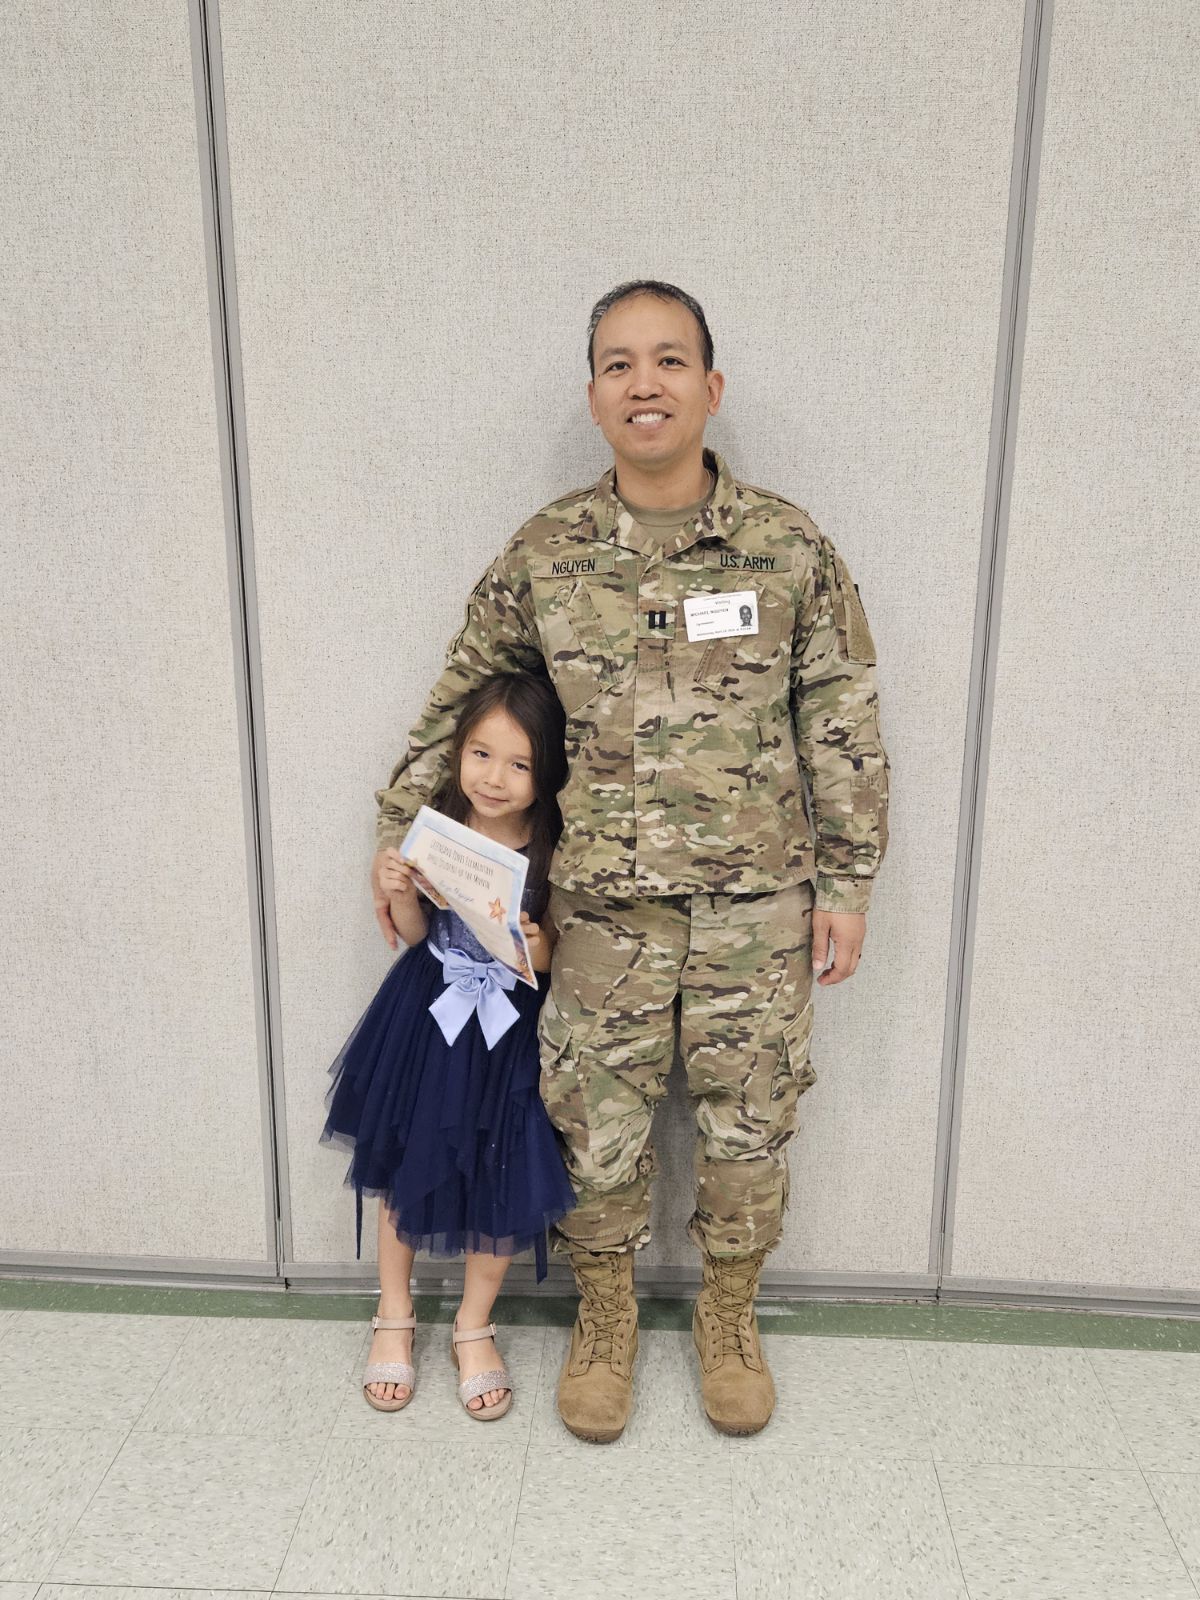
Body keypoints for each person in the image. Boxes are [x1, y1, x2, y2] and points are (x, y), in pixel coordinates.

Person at [371, 280, 890, 1441]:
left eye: (668, 361)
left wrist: (849, 881)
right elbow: (465, 691)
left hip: (757, 908)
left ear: (711, 388)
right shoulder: (548, 552)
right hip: (597, 910)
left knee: (749, 1123)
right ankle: (605, 1318)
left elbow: (842, 718)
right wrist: (401, 827)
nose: (643, 383)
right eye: (618, 364)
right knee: (592, 1121)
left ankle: (729, 1317)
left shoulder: (787, 545)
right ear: (594, 395)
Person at [324, 672, 575, 1419]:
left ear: (547, 772)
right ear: (459, 752)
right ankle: (394, 1312)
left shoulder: (555, 843)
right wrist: (400, 882)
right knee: (404, 1163)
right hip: (428, 1018)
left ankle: (474, 1325)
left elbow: (559, 949)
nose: (495, 778)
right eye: (481, 753)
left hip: (508, 1031)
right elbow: (408, 931)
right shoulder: (436, 822)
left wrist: (541, 943)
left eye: (520, 764)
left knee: (501, 1172)